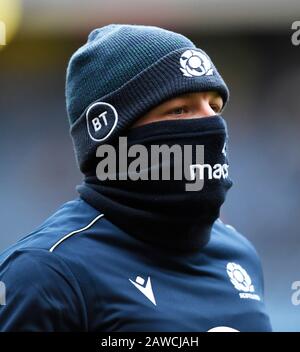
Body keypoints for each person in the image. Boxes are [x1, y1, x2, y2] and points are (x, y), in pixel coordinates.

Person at [0, 24, 272, 332]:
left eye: (215, 106)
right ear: (114, 136)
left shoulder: (240, 255)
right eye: (180, 110)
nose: (212, 124)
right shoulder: (44, 275)